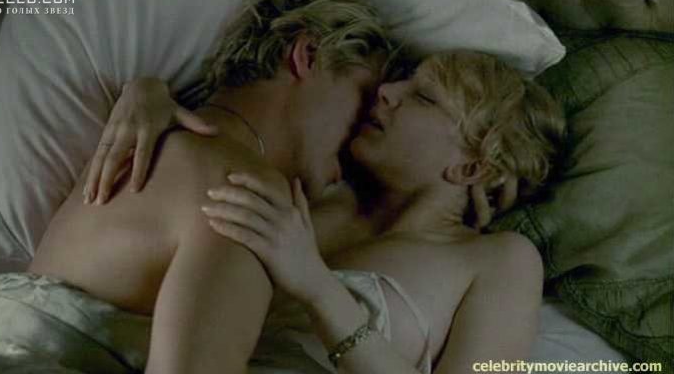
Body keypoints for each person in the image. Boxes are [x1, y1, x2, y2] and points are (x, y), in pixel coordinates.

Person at [23, 0, 391, 373]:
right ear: (309, 55)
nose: (363, 133)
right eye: (364, 97)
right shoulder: (245, 191)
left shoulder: (150, 145)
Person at [199, 51, 567, 373]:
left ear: (470, 168)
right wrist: (163, 104)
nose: (386, 91)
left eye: (423, 97)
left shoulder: (501, 259)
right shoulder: (317, 191)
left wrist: (317, 288)